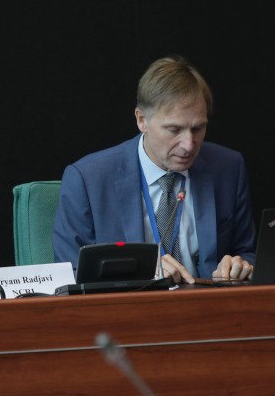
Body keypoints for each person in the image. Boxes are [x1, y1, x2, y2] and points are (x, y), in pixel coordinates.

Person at [53, 55, 256, 283]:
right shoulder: (87, 180)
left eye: (198, 128)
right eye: (174, 130)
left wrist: (241, 265)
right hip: (129, 312)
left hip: (210, 309)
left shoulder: (228, 168)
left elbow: (248, 251)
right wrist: (140, 272)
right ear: (142, 120)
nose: (189, 145)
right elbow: (69, 275)